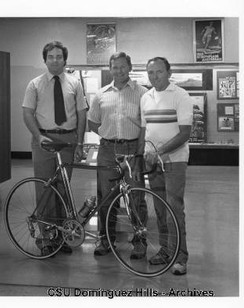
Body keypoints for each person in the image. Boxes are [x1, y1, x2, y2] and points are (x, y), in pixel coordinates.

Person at [22, 41, 87, 255]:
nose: (55, 60)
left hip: (67, 141)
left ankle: (61, 235)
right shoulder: (35, 84)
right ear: (45, 59)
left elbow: (81, 114)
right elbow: (27, 113)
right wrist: (38, 136)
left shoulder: (74, 83)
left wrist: (78, 142)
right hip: (43, 140)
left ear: (65, 59)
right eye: (51, 56)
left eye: (59, 56)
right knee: (44, 188)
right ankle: (46, 238)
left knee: (63, 188)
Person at [135, 57, 193, 275]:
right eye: (150, 73)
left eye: (159, 72)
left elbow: (185, 133)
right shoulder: (146, 98)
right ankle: (166, 250)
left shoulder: (181, 96)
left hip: (174, 160)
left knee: (174, 208)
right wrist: (141, 156)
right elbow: (144, 130)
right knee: (159, 209)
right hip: (152, 161)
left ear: (169, 72)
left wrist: (159, 152)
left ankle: (181, 257)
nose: (154, 76)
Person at [87, 52, 148, 257]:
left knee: (136, 197)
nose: (119, 70)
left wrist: (138, 150)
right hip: (107, 150)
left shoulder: (142, 93)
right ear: (110, 69)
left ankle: (139, 241)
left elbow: (146, 126)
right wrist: (109, 135)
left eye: (123, 66)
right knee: (106, 196)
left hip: (133, 150)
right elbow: (93, 122)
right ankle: (105, 240)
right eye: (115, 67)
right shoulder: (101, 94)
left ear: (130, 67)